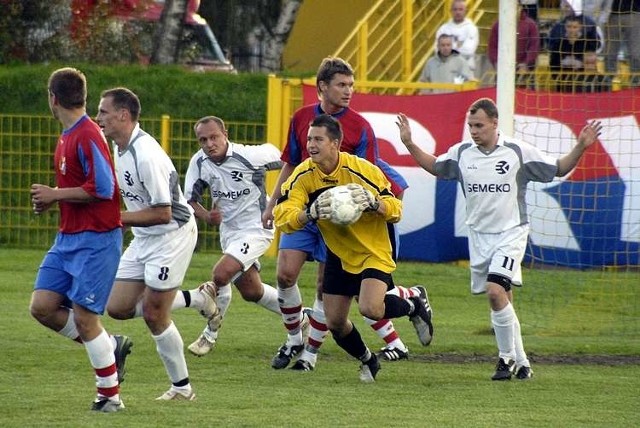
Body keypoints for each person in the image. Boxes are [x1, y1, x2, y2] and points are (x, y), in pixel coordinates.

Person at [396, 98, 603, 380]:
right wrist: (408, 143)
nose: (474, 130)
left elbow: (558, 168)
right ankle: (523, 362)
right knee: (502, 297)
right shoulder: (462, 153)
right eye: (470, 125)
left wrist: (580, 146)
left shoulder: (518, 152)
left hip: (511, 232)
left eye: (479, 125)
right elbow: (435, 166)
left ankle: (505, 360)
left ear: (495, 123)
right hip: (479, 236)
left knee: (495, 291)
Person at [263, 57, 427, 372]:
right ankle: (294, 340)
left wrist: (369, 204)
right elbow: (290, 165)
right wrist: (276, 205)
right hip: (308, 210)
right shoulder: (301, 122)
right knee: (285, 273)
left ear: (336, 143)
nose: (348, 90)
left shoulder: (360, 131)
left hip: (346, 224)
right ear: (322, 87)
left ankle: (310, 356)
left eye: (351, 85)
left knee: (354, 300)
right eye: (342, 84)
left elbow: (376, 184)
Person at [97, 87, 214, 401]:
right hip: (146, 237)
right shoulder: (119, 148)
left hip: (172, 236)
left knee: (154, 314)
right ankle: (196, 298)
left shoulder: (146, 154)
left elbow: (163, 213)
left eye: (104, 112)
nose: (99, 119)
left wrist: (115, 218)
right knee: (117, 307)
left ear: (123, 115)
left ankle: (182, 388)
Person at [29, 67, 127, 412]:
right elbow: (80, 188)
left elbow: (103, 188)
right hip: (67, 239)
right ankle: (109, 345)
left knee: (86, 320)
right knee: (41, 306)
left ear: (52, 98)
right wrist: (53, 199)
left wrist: (55, 193)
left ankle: (110, 396)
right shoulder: (68, 134)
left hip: (97, 240)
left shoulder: (87, 134)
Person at [184, 116, 292, 357]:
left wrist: (279, 200)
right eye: (203, 140)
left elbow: (285, 158)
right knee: (252, 291)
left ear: (225, 133)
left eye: (214, 137)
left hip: (257, 227)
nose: (210, 144)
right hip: (230, 232)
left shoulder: (249, 156)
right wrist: (205, 216)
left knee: (220, 274)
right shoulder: (199, 162)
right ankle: (302, 318)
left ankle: (210, 333)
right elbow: (190, 199)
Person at [487, 2, 540, 87]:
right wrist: (497, 63)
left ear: (520, 7)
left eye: (515, 7)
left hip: (525, 70)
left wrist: (526, 63)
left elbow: (534, 46)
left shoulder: (531, 25)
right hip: (503, 69)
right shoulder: (498, 25)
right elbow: (492, 47)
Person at [549, 15, 601, 92]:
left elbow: (592, 66)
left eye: (575, 27)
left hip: (583, 85)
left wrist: (581, 64)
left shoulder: (588, 43)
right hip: (563, 84)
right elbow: (553, 65)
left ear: (580, 27)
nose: (571, 30)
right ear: (565, 27)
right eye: (569, 27)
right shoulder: (558, 44)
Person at [435, 0, 479, 74]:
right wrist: (457, 46)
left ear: (465, 11)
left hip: (465, 70)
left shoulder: (471, 28)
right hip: (445, 70)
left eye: (460, 9)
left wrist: (449, 48)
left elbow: (468, 51)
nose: (458, 12)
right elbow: (437, 50)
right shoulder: (443, 29)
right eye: (455, 9)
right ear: (451, 11)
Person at [602, 0, 640, 85]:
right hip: (612, 13)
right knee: (610, 52)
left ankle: (636, 82)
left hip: (634, 13)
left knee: (635, 53)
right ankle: (609, 83)